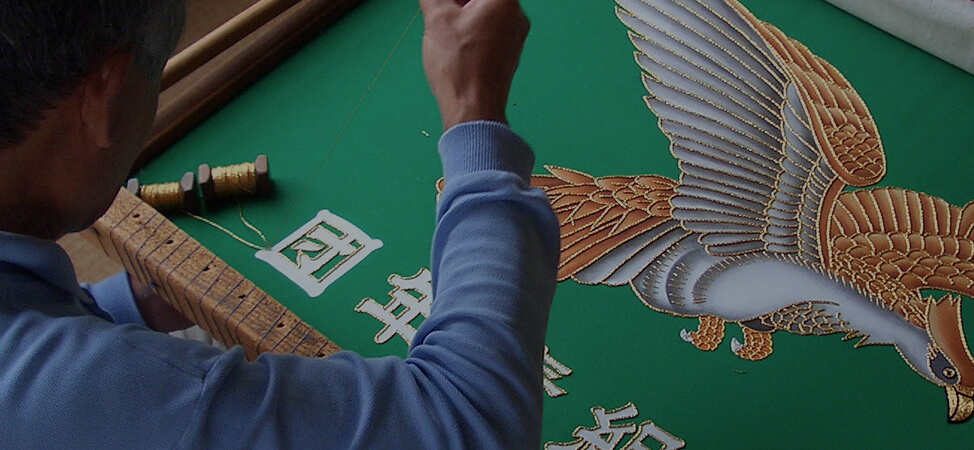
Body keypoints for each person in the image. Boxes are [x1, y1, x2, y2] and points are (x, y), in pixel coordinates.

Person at [0, 0, 558, 447]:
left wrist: (131, 307)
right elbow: (469, 424)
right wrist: (474, 115)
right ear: (103, 95)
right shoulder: (81, 388)